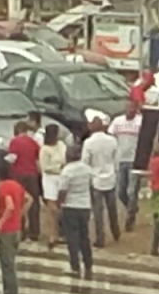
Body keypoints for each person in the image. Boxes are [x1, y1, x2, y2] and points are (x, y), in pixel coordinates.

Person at [0, 162, 29, 294]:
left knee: (6, 264)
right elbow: (28, 199)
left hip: (7, 231)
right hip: (16, 229)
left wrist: (0, 223)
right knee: (11, 263)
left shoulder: (4, 187)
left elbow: (10, 206)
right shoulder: (16, 185)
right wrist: (20, 215)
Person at [82, 117, 120, 247]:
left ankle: (100, 238)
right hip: (110, 178)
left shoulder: (88, 143)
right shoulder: (112, 140)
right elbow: (116, 160)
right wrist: (114, 171)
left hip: (96, 179)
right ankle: (116, 232)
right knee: (112, 209)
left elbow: (85, 162)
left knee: (98, 212)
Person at [58, 145, 94, 278]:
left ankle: (75, 266)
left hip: (71, 206)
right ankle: (88, 263)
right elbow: (91, 187)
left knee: (72, 238)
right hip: (85, 206)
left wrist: (59, 205)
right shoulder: (87, 169)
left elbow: (62, 190)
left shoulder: (67, 171)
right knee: (85, 236)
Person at [109, 102, 143, 230]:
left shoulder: (141, 122)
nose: (130, 111)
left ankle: (130, 218)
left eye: (133, 108)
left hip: (135, 160)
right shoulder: (117, 121)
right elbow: (111, 137)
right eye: (128, 108)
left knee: (132, 190)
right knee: (120, 191)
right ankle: (132, 207)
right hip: (120, 159)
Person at [7, 121, 41, 242]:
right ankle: (34, 231)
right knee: (34, 203)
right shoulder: (34, 143)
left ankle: (20, 229)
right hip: (32, 174)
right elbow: (38, 161)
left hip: (19, 174)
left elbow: (12, 158)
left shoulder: (14, 142)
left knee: (19, 202)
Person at [39, 125, 67, 250]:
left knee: (62, 206)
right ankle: (52, 235)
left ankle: (62, 232)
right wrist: (58, 168)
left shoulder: (61, 145)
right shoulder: (44, 149)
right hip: (50, 179)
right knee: (52, 209)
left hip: (61, 178)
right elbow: (44, 167)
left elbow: (65, 158)